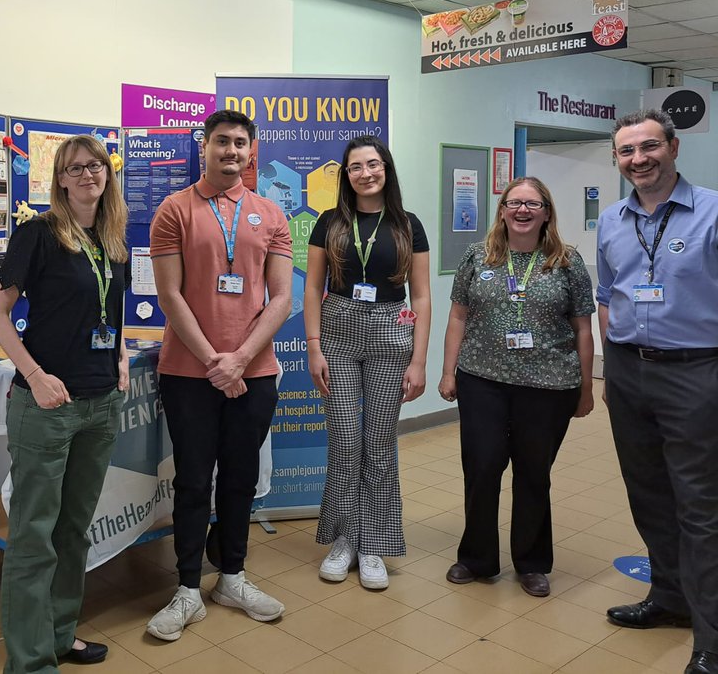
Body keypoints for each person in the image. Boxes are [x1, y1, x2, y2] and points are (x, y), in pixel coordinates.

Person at [0, 134, 130, 673]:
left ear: (106, 174)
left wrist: (119, 355)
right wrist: (35, 373)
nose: (89, 174)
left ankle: (59, 635)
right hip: (47, 406)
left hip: (99, 404)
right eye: (76, 168)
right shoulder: (38, 235)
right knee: (34, 538)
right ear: (61, 179)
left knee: (73, 531)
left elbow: (109, 311)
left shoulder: (113, 239)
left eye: (96, 165)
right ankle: (28, 663)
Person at [145, 109, 292, 641]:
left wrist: (240, 360)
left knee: (239, 478)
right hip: (189, 373)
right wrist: (215, 361)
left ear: (252, 152)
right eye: (221, 142)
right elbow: (170, 296)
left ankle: (231, 577)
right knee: (190, 480)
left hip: (255, 373)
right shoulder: (173, 210)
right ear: (204, 146)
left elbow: (281, 299)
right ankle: (187, 589)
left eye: (240, 144)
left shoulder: (271, 214)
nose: (231, 151)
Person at [595, 109, 718, 674]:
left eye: (648, 147)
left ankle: (711, 636)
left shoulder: (712, 213)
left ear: (672, 148)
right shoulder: (613, 221)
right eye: (626, 152)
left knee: (700, 505)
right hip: (627, 371)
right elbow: (608, 294)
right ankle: (668, 599)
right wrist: (609, 364)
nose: (638, 159)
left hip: (695, 370)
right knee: (647, 493)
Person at [439, 177, 595, 598]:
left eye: (532, 203)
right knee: (483, 467)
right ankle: (476, 558)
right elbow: (458, 316)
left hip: (548, 387)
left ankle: (531, 563)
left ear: (547, 212)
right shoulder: (478, 256)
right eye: (514, 203)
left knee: (533, 474)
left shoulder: (567, 262)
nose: (523, 210)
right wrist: (449, 372)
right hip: (482, 380)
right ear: (502, 210)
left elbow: (583, 328)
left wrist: (585, 387)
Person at [304, 135, 430, 590]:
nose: (365, 173)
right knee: (343, 439)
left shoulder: (408, 225)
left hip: (390, 333)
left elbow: (422, 295)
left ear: (386, 169)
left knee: (378, 441)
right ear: (346, 175)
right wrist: (314, 345)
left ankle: (373, 541)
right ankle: (344, 539)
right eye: (355, 167)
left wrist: (419, 360)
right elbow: (312, 288)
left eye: (373, 164)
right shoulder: (329, 222)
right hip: (336, 332)